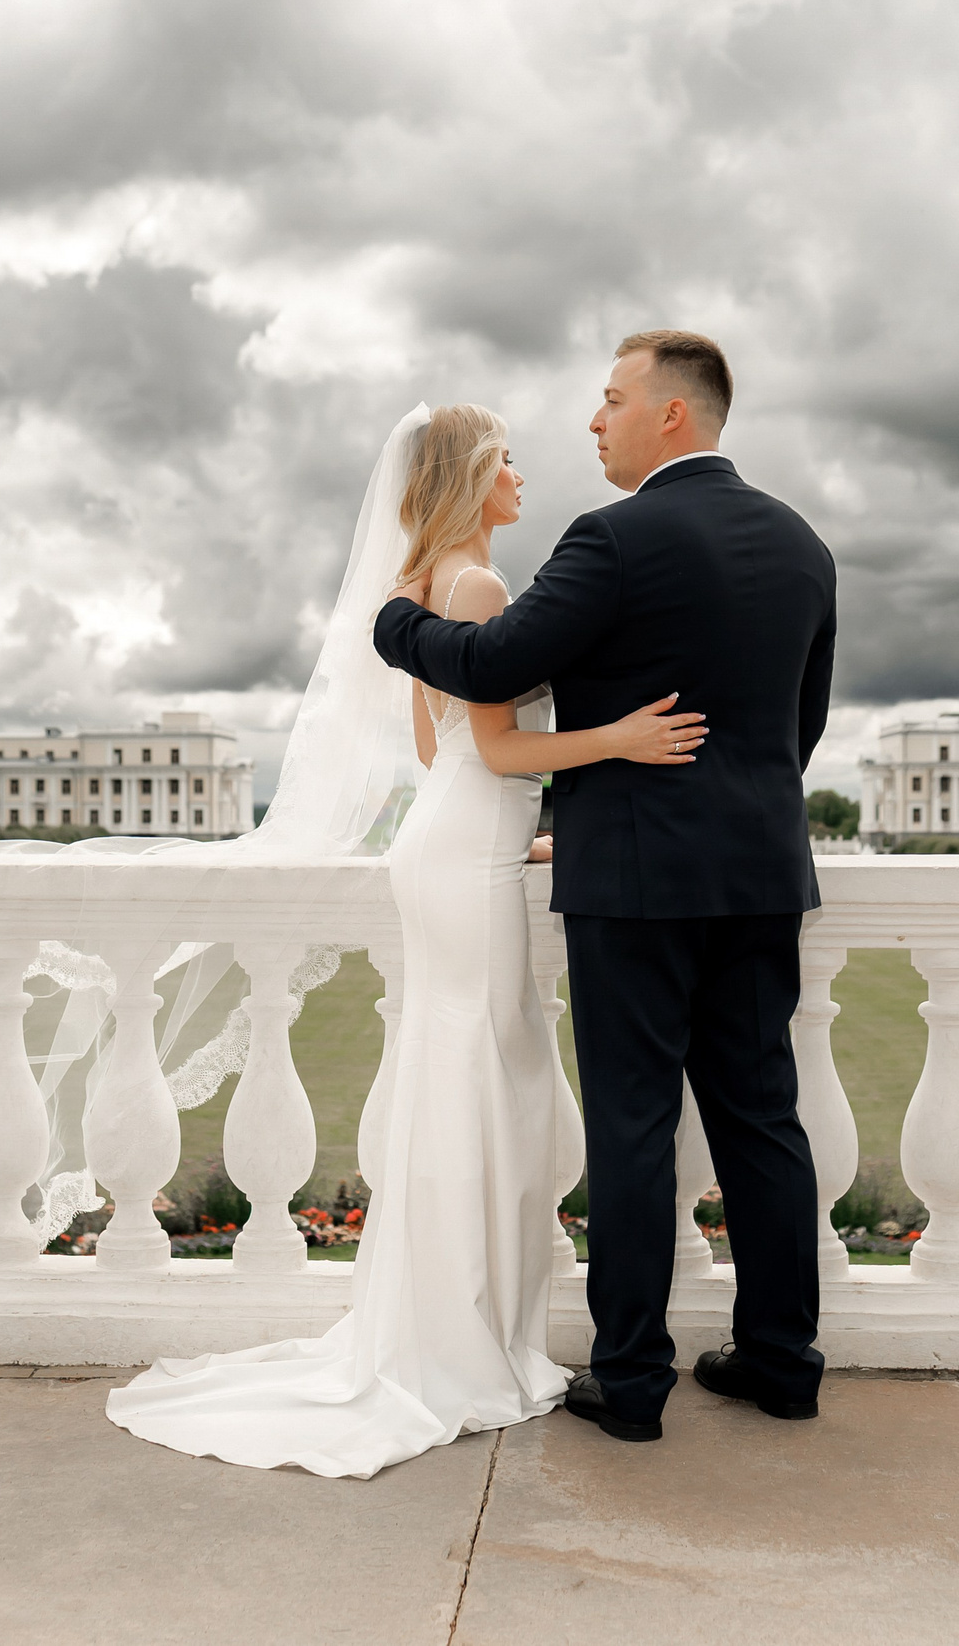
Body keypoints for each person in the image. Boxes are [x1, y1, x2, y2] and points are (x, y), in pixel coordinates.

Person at [105, 404, 702, 1478]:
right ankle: (463, 1341)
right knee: (486, 1078)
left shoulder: (415, 591)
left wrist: (514, 845)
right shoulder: (475, 588)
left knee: (459, 1070)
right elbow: (500, 745)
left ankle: (442, 1326)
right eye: (508, 459)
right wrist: (621, 741)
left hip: (452, 847)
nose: (523, 473)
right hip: (464, 854)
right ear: (472, 477)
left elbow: (443, 757)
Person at [372, 330, 838, 1442]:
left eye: (612, 399)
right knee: (761, 1118)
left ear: (671, 414)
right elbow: (798, 727)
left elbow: (484, 666)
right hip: (759, 871)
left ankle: (630, 1382)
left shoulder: (615, 539)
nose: (594, 419)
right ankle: (781, 1361)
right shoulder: (804, 545)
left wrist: (390, 622)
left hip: (632, 881)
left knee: (633, 1125)